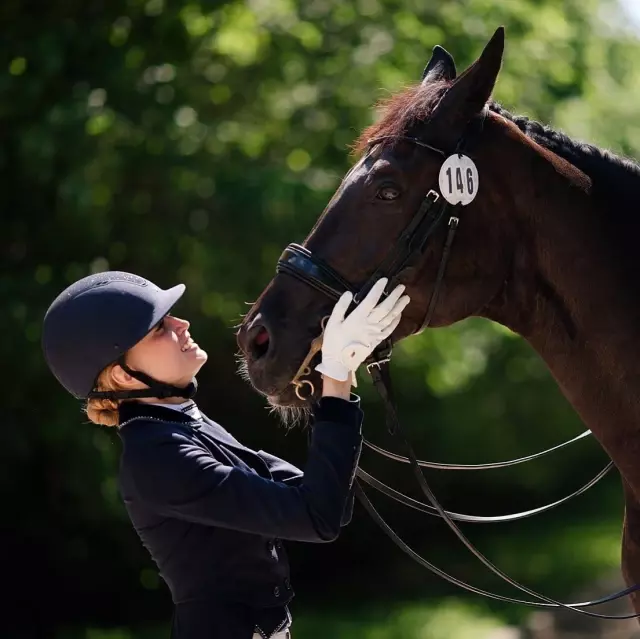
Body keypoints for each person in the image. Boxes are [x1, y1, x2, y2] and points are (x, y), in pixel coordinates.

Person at [41, 271, 410, 639]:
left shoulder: (182, 425)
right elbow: (318, 516)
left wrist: (333, 373)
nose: (181, 322)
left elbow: (327, 502)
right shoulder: (160, 458)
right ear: (122, 376)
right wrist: (335, 375)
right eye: (158, 328)